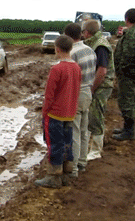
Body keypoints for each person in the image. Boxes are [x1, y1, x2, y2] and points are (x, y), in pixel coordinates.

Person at [34, 35, 81, 189]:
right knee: (67, 142)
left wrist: (44, 112)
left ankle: (53, 176)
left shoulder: (57, 69)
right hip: (69, 113)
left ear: (57, 49)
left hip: (55, 114)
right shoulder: (76, 67)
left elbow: (49, 95)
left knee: (54, 144)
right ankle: (66, 174)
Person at [64, 23, 96, 177]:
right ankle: (82, 162)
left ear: (68, 37)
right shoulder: (90, 50)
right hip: (88, 92)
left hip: (77, 93)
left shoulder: (72, 53)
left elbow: (69, 79)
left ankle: (74, 169)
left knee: (74, 132)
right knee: (84, 130)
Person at [113, 8, 135, 141]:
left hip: (128, 73)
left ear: (126, 19)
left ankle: (129, 131)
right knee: (132, 99)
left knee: (126, 100)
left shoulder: (132, 33)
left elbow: (127, 55)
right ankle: (128, 128)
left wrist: (121, 69)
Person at [82, 20, 115, 161]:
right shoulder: (96, 42)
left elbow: (101, 71)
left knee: (96, 117)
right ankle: (90, 145)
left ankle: (96, 151)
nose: (83, 35)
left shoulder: (100, 45)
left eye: (83, 32)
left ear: (87, 32)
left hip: (101, 86)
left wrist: (92, 89)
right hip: (98, 85)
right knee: (92, 116)